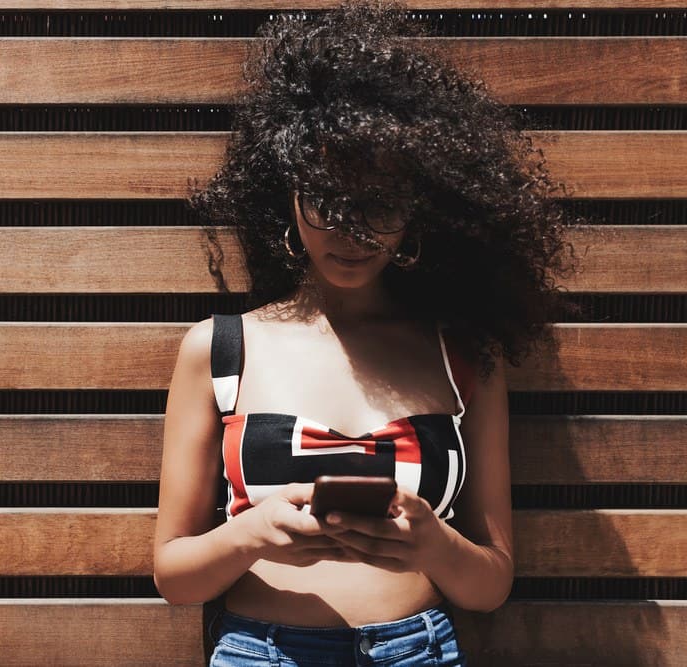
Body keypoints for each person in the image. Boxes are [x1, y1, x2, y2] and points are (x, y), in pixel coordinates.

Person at [153, 2, 580, 664]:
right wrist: (252, 534)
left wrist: (431, 541)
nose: (351, 232)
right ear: (286, 194)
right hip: (259, 651)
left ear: (418, 207)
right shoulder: (220, 350)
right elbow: (174, 572)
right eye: (327, 199)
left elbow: (490, 582)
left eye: (377, 205)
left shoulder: (463, 357)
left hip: (416, 649)